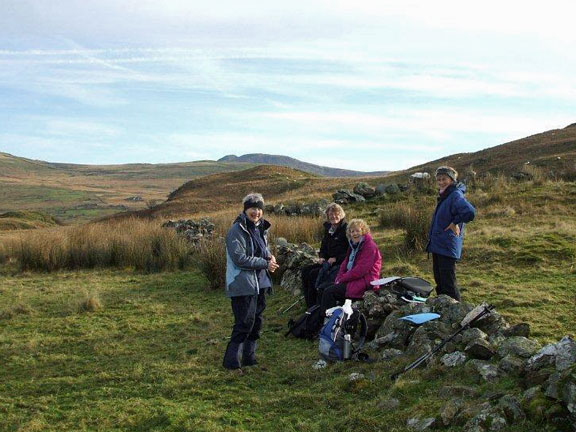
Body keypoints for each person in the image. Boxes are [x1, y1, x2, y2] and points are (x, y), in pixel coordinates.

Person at [222, 193, 279, 371]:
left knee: (256, 322)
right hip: (242, 284)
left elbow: (261, 250)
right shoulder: (236, 231)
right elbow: (239, 258)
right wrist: (264, 263)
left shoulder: (259, 228)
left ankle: (249, 358)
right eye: (252, 208)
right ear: (245, 209)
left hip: (260, 283)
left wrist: (269, 256)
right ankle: (231, 362)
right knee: (244, 323)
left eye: (259, 209)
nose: (256, 212)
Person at [426, 166, 476, 301]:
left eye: (444, 179)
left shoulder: (455, 195)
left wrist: (456, 222)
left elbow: (469, 212)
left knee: (448, 284)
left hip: (447, 246)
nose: (441, 182)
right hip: (439, 246)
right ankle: (443, 310)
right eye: (439, 179)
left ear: (452, 180)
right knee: (440, 283)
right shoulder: (445, 196)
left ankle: (457, 312)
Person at [319, 219, 382, 316]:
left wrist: (342, 279)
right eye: (352, 231)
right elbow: (344, 264)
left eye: (357, 230)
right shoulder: (353, 245)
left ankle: (329, 323)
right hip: (352, 279)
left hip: (364, 282)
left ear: (363, 231)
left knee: (329, 292)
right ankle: (318, 318)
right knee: (322, 287)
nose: (354, 234)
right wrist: (339, 278)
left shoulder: (369, 246)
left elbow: (361, 270)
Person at [301, 203, 349, 308]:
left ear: (341, 215)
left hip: (340, 264)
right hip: (327, 262)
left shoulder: (345, 229)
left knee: (313, 274)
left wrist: (336, 259)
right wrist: (322, 257)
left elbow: (349, 251)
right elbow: (323, 248)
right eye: (331, 214)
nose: (333, 217)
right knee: (305, 271)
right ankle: (309, 304)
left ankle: (315, 306)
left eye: (336, 214)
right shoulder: (328, 229)